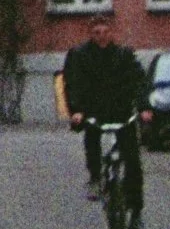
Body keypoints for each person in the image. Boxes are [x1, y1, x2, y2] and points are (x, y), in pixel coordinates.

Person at [63, 18, 151, 192]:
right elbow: (73, 84)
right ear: (90, 34)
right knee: (92, 140)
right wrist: (77, 110)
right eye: (97, 33)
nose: (102, 37)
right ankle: (95, 178)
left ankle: (135, 208)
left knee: (132, 160)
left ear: (112, 33)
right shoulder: (80, 55)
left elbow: (139, 81)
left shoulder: (124, 54)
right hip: (93, 110)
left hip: (121, 110)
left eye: (105, 32)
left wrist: (144, 107)